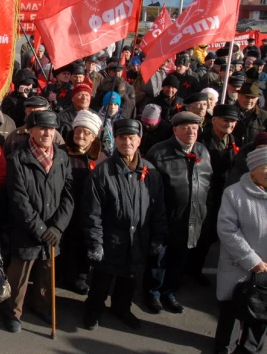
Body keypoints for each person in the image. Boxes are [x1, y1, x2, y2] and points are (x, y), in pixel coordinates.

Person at [82, 119, 167, 330]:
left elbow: (158, 208)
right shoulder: (102, 173)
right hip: (111, 239)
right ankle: (93, 309)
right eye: (122, 138)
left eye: (131, 138)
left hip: (138, 238)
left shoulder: (150, 172)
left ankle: (121, 308)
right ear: (116, 140)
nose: (126, 142)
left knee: (129, 278)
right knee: (101, 280)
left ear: (139, 140)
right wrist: (95, 243)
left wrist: (158, 237)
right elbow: (92, 212)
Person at [3, 110, 74, 333]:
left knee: (46, 272)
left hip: (53, 229)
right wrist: (40, 229)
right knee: (19, 276)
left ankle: (42, 307)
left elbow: (68, 195)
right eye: (42, 128)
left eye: (51, 129)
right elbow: (18, 200)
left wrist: (57, 226)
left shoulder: (62, 157)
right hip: (27, 230)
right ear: (31, 131)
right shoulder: (17, 158)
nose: (47, 133)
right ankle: (12, 312)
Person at [145, 112, 212, 314]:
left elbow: (208, 183)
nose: (191, 132)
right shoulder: (158, 152)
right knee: (158, 259)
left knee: (178, 260)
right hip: (165, 219)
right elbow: (149, 189)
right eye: (185, 128)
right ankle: (153, 293)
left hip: (191, 218)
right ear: (175, 130)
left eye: (194, 128)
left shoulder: (202, 151)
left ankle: (169, 292)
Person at [214, 148, 267, 353]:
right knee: (231, 310)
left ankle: (250, 349)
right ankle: (223, 346)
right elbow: (227, 230)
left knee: (261, 312)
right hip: (239, 267)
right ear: (253, 170)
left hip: (265, 273)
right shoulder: (234, 193)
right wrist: (251, 259)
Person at [186, 105, 240, 287]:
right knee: (196, 233)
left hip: (223, 194)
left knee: (209, 237)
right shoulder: (200, 141)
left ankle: (195, 269)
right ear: (214, 119)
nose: (229, 124)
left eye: (232, 121)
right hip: (202, 193)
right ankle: (183, 270)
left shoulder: (233, 140)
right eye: (225, 119)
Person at [60, 110, 105, 295]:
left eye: (86, 133)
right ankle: (62, 274)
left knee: (83, 243)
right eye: (78, 131)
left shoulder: (102, 158)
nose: (81, 136)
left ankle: (80, 277)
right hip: (65, 206)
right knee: (66, 243)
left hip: (89, 210)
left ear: (94, 137)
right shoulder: (62, 154)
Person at [98, 91, 124, 156]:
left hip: (118, 153)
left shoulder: (122, 120)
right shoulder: (98, 119)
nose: (112, 107)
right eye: (110, 104)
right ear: (105, 105)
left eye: (115, 104)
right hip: (103, 152)